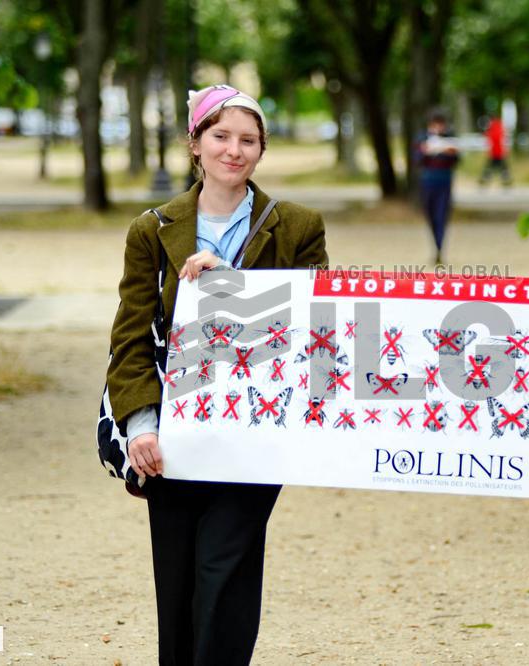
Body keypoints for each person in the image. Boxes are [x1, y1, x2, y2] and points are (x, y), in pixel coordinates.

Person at [106, 84, 329, 665]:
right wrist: (141, 425)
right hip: (170, 436)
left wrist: (232, 285)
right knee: (176, 584)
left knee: (226, 575)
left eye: (248, 140)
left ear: (261, 149)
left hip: (256, 431)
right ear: (195, 145)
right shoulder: (151, 230)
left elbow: (315, 328)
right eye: (221, 136)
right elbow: (130, 335)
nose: (235, 150)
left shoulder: (299, 226)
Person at [415, 108, 459, 264]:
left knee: (442, 215)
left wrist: (448, 153)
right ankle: (436, 244)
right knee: (430, 214)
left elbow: (457, 160)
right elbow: (417, 159)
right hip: (428, 182)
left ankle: (439, 248)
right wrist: (426, 151)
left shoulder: (450, 139)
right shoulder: (422, 138)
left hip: (444, 181)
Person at [479, 115, 512, 186]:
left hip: (493, 153)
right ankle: (506, 180)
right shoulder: (501, 129)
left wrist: (487, 151)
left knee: (489, 167)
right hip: (500, 152)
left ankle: (485, 180)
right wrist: (506, 150)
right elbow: (505, 141)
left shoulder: (490, 130)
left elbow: (488, 142)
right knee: (503, 168)